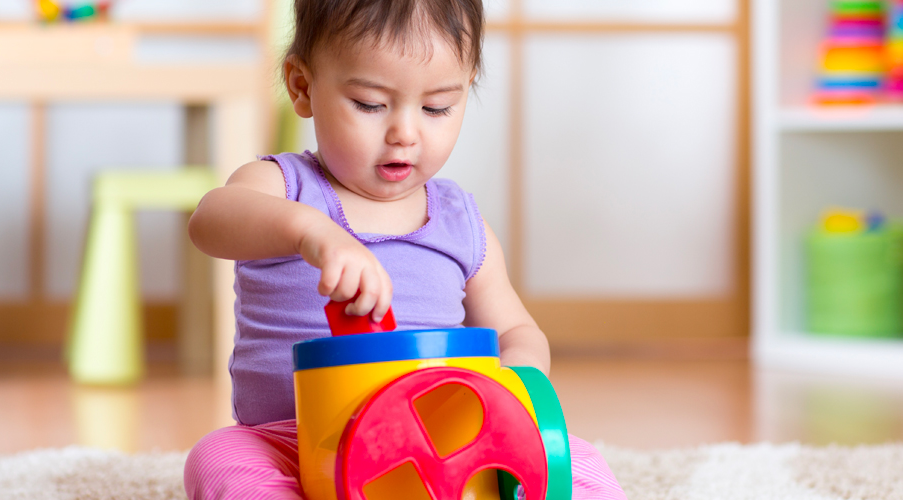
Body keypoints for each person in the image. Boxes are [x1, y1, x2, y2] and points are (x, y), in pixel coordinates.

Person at [183, 0, 627, 498]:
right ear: (302, 87)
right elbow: (211, 220)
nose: (405, 134)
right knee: (219, 455)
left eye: (437, 107)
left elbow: (517, 329)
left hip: (442, 446)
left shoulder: (460, 222)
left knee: (578, 460)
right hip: (297, 439)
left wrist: (517, 375)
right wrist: (312, 233)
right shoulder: (283, 187)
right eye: (371, 104)